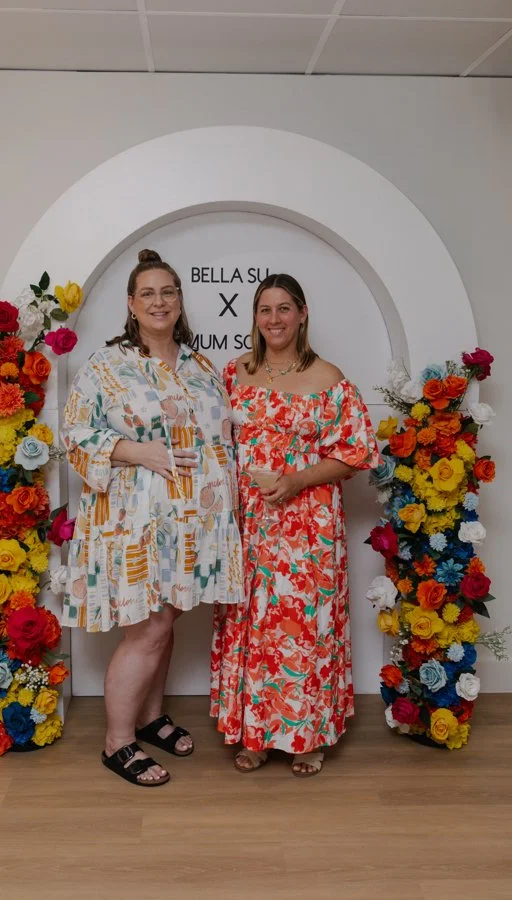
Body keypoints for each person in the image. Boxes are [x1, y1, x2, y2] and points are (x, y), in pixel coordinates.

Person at [62, 249, 243, 787]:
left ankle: (149, 718)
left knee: (168, 621)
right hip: (135, 521)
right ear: (131, 304)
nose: (160, 301)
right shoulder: (107, 364)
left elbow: (224, 432)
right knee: (150, 627)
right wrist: (139, 452)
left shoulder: (199, 364)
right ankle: (117, 743)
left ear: (180, 301)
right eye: (149, 293)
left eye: (169, 292)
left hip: (193, 524)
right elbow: (74, 432)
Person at [210, 273, 379, 776]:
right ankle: (256, 733)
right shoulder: (234, 373)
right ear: (254, 318)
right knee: (252, 625)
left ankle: (307, 736)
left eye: (285, 309)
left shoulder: (328, 377)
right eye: (265, 309)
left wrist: (297, 479)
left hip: (308, 524)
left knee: (304, 628)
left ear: (302, 314)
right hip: (248, 523)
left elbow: (358, 452)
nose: (275, 319)